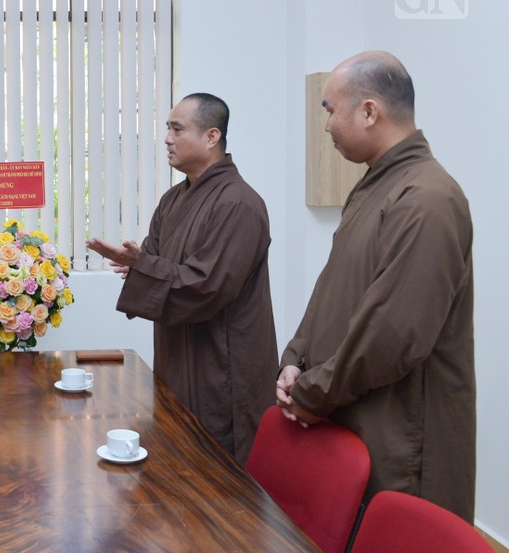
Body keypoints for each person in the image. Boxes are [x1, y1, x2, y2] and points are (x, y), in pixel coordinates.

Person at [275, 51, 475, 522]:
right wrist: (296, 360)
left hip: (401, 434)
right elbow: (330, 288)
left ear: (369, 111)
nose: (325, 126)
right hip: (349, 409)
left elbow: (393, 335)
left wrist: (313, 394)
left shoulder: (427, 198)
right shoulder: (375, 186)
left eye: (329, 109)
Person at [87, 93, 278, 464]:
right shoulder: (173, 200)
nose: (167, 139)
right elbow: (154, 260)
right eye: (167, 129)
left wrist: (145, 266)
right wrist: (137, 265)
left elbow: (208, 285)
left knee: (219, 472)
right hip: (178, 355)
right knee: (177, 458)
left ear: (211, 136)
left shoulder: (238, 203)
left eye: (177, 129)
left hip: (222, 365)